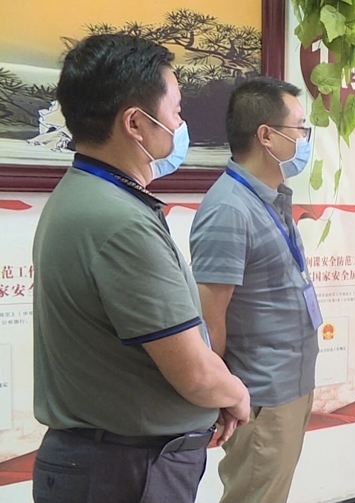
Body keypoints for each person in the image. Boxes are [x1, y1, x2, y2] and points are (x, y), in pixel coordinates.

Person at [31, 34, 250, 503]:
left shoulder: (85, 195)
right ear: (135, 123)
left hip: (109, 462)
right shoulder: (120, 222)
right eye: (176, 112)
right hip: (125, 471)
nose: (180, 125)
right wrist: (234, 393)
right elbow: (193, 372)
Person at [190, 77, 320, 503]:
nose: (305, 139)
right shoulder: (229, 208)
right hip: (260, 395)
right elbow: (210, 318)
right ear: (266, 135)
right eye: (300, 128)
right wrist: (223, 395)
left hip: (290, 385)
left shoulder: (269, 197)